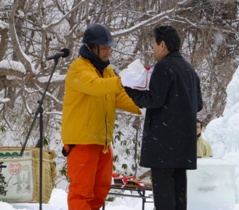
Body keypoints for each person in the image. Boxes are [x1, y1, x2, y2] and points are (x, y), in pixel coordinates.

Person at [121, 26, 203, 210]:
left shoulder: (164, 67)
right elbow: (198, 105)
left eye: (154, 45)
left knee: (164, 197)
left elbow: (154, 100)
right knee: (179, 195)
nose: (153, 49)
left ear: (163, 45)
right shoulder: (190, 70)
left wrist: (129, 90)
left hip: (164, 145)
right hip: (183, 145)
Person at [61, 23, 141, 210]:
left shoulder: (107, 70)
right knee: (82, 193)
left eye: (109, 47)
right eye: (104, 47)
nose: (108, 51)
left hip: (102, 143)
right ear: (91, 47)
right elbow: (95, 86)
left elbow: (119, 97)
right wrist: (122, 80)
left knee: (100, 191)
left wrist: (144, 107)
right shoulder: (79, 68)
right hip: (82, 142)